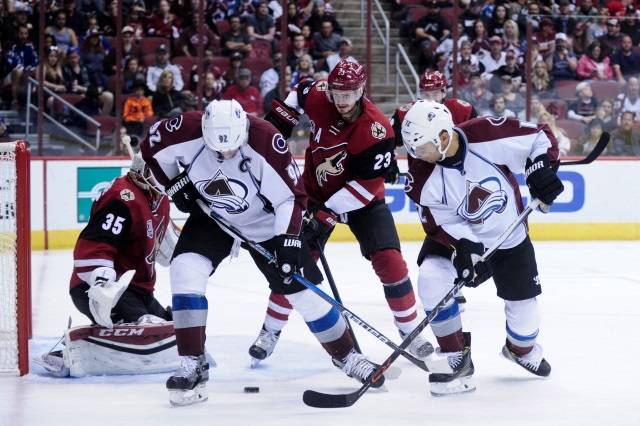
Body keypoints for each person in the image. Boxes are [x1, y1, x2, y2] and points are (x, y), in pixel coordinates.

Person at [140, 99, 390, 406]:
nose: (225, 155)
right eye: (217, 150)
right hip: (214, 217)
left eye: (231, 148)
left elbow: (291, 199)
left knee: (302, 293)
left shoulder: (266, 139)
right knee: (184, 270)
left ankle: (348, 357)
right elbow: (150, 151)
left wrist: (287, 241)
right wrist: (174, 182)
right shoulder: (181, 131)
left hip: (266, 223)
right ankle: (193, 363)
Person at [253, 60, 434, 366]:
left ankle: (410, 332)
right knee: (292, 263)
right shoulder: (321, 95)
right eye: (338, 91)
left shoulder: (377, 129)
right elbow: (300, 90)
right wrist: (281, 121)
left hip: (363, 202)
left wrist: (327, 214)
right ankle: (270, 331)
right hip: (313, 196)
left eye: (350, 92)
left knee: (390, 260)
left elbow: (366, 186)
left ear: (362, 89)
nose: (342, 99)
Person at [400, 99, 563, 396]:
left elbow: (539, 137)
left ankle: (520, 351)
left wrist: (540, 170)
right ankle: (456, 358)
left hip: (509, 237)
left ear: (444, 137)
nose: (415, 154)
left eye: (420, 146)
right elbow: (438, 223)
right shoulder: (422, 177)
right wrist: (463, 246)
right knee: (431, 279)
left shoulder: (486, 133)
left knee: (524, 314)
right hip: (460, 237)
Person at [35, 149, 176, 377]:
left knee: (171, 326)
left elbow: (165, 249)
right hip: (101, 289)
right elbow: (94, 245)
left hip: (139, 291)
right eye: (160, 173)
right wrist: (102, 287)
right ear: (142, 172)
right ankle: (71, 354)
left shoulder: (159, 200)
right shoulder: (122, 198)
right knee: (146, 327)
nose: (165, 178)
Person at [388, 70, 478, 309]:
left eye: (435, 93)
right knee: (439, 229)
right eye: (424, 93)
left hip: (459, 181)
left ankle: (455, 276)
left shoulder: (463, 110)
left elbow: (479, 140)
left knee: (461, 227)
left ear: (444, 92)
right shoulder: (406, 112)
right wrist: (390, 162)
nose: (429, 98)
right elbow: (386, 138)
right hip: (425, 184)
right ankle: (447, 279)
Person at [2, 23, 38, 110]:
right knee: (18, 70)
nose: (23, 36)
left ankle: (38, 97)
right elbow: (10, 63)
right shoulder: (10, 44)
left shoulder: (31, 45)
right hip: (9, 76)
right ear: (16, 34)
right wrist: (24, 70)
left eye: (25, 34)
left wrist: (27, 70)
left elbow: (35, 61)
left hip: (25, 73)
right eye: (21, 33)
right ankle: (14, 101)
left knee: (39, 69)